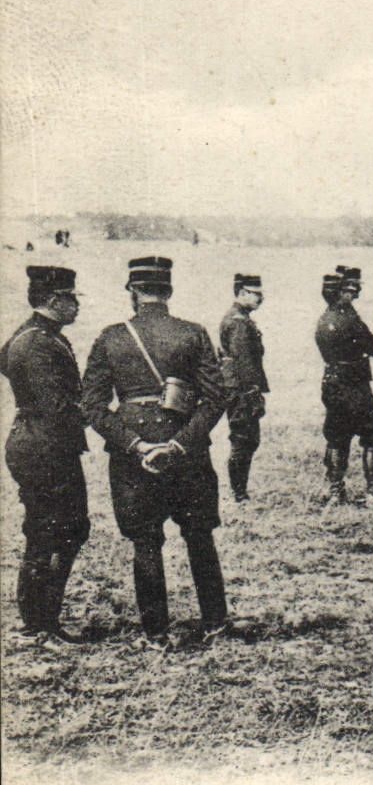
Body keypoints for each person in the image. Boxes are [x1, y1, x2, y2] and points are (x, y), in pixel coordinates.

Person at [81, 256, 230, 647]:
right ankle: (216, 624)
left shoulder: (111, 337)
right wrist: (180, 444)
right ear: (169, 291)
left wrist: (135, 444)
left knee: (146, 542)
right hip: (189, 451)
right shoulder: (193, 333)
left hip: (134, 457)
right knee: (200, 537)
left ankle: (156, 633)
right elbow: (216, 399)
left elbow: (92, 406)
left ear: (133, 292)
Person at [2, 266, 89, 644]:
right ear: (54, 300)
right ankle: (40, 623)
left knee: (57, 529)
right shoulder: (40, 343)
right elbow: (57, 407)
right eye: (72, 299)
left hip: (38, 443)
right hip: (46, 448)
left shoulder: (31, 334)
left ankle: (40, 620)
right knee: (54, 532)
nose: (77, 306)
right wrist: (95, 412)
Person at [315, 268, 373, 504]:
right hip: (354, 384)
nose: (354, 294)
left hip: (331, 382)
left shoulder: (324, 319)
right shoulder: (350, 321)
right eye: (350, 291)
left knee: (337, 435)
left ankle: (336, 491)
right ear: (341, 294)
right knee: (371, 433)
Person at [218, 272, 268, 503]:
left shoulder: (240, 318)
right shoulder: (239, 322)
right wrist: (252, 393)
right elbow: (244, 361)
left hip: (239, 389)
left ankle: (240, 491)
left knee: (246, 439)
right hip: (241, 390)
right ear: (241, 293)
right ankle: (239, 494)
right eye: (255, 294)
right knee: (243, 439)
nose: (260, 299)